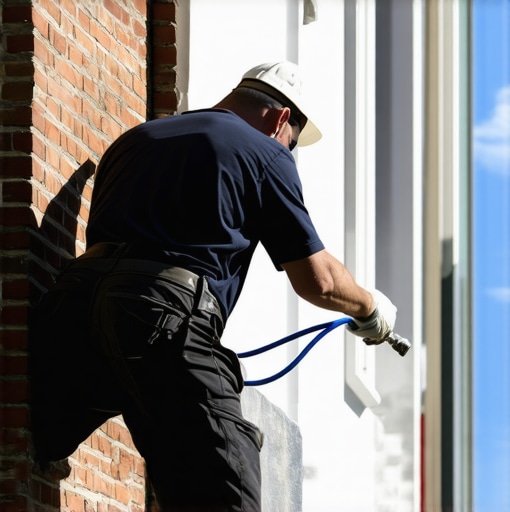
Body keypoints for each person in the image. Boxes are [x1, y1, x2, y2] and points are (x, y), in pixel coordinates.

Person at [30, 61, 398, 512]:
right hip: (161, 321)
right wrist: (369, 308)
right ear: (281, 118)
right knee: (228, 489)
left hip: (73, 310)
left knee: (34, 448)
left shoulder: (136, 140)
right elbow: (318, 280)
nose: (290, 150)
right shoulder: (266, 153)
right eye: (293, 141)